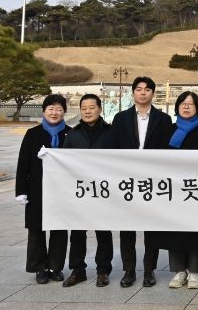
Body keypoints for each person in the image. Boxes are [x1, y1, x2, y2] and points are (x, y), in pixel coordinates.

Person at [110, 76, 173, 288]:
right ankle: (128, 271)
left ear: (153, 93)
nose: (143, 92)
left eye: (147, 89)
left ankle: (149, 270)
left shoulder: (163, 120)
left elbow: (167, 150)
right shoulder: (120, 118)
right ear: (133, 93)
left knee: (151, 229)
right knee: (127, 229)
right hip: (127, 180)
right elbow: (113, 148)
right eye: (139, 89)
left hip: (152, 181)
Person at [156, 92, 198, 289]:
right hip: (173, 190)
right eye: (183, 103)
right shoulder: (169, 130)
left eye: (191, 104)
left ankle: (194, 271)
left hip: (195, 189)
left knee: (194, 231)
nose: (187, 106)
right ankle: (179, 271)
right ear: (178, 107)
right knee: (174, 230)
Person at [15, 94, 71, 284]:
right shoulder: (33, 134)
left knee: (59, 230)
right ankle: (39, 268)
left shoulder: (71, 133)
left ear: (64, 112)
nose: (55, 113)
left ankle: (55, 267)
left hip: (62, 191)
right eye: (51, 109)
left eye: (59, 109)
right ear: (44, 111)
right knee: (36, 229)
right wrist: (21, 191)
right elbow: (22, 164)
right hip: (37, 189)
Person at [61, 94, 113, 288]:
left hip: (104, 191)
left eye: (92, 107)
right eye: (84, 108)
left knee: (103, 232)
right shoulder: (72, 135)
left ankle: (103, 271)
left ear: (100, 109)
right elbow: (63, 163)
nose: (88, 111)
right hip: (80, 192)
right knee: (77, 233)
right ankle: (78, 270)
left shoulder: (111, 133)